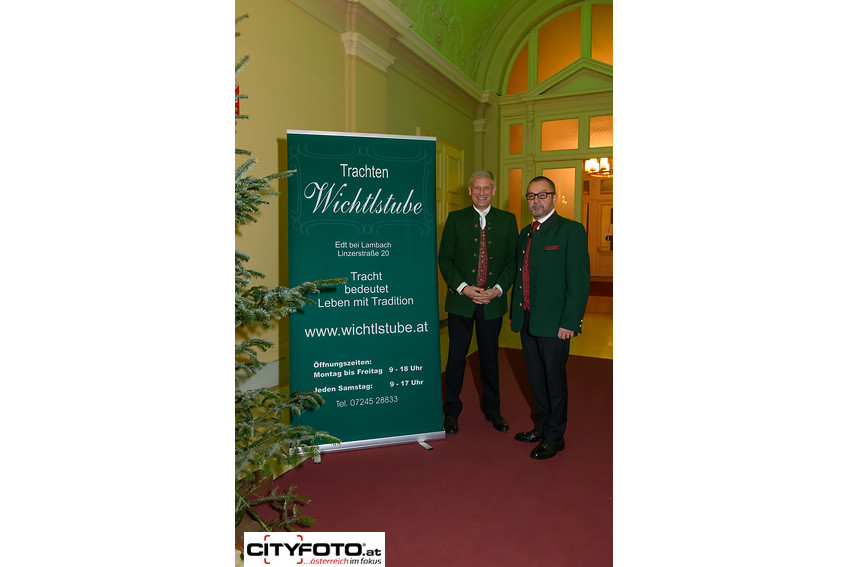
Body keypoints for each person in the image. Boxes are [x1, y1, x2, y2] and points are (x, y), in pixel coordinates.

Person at [510, 176, 590, 459]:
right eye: (531, 196)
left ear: (554, 197)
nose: (536, 201)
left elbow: (579, 281)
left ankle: (556, 437)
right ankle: (541, 427)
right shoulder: (525, 233)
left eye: (542, 195)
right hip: (527, 320)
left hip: (556, 324)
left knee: (554, 382)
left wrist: (570, 321)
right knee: (535, 379)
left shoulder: (570, 230)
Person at [438, 170, 518, 435]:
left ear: (493, 190)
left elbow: (512, 262)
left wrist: (497, 290)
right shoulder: (456, 219)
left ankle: (493, 411)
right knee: (455, 359)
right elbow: (445, 259)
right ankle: (451, 412)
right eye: (476, 188)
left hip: (492, 303)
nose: (481, 193)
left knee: (490, 359)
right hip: (461, 303)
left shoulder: (508, 220)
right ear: (469, 191)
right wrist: (463, 288)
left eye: (486, 188)